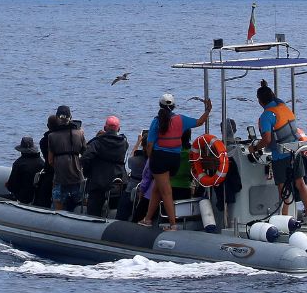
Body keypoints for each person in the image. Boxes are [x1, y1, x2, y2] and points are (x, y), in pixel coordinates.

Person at [139, 93, 211, 229]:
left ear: (160, 105)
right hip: (174, 160)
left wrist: (150, 159)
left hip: (160, 159)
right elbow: (200, 122)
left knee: (166, 192)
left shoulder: (156, 121)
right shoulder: (181, 119)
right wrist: (207, 110)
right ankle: (147, 219)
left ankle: (173, 224)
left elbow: (149, 145)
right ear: (173, 106)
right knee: (157, 189)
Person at [248, 80, 307, 222]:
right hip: (295, 151)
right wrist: (265, 87)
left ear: (259, 102)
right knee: (300, 183)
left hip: (280, 155)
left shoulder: (266, 116)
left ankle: (284, 221)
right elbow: (273, 97)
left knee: (283, 189)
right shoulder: (283, 105)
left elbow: (266, 139)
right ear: (272, 96)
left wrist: (253, 148)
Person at [81, 116, 129, 216]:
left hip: (98, 180)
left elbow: (85, 158)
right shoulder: (124, 143)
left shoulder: (97, 142)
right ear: (118, 129)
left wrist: (88, 172)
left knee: (93, 210)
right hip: (118, 179)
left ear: (105, 128)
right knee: (116, 208)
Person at [47, 105, 86, 211]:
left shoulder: (51, 136)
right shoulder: (80, 134)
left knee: (58, 203)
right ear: (70, 117)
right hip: (77, 174)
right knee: (78, 203)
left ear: (57, 118)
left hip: (60, 176)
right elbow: (85, 155)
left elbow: (50, 160)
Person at [116, 131, 148, 221]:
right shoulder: (152, 161)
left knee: (123, 208)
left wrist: (138, 142)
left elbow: (130, 159)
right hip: (147, 192)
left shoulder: (136, 160)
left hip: (131, 189)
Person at [5, 136, 45, 204]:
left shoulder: (19, 163)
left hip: (22, 199)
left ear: (21, 151)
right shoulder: (42, 162)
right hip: (38, 198)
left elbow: (11, 187)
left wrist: (8, 185)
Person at [33, 115, 60, 207]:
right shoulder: (64, 137)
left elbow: (48, 158)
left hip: (50, 171)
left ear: (48, 126)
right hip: (64, 171)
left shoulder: (44, 141)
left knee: (43, 196)